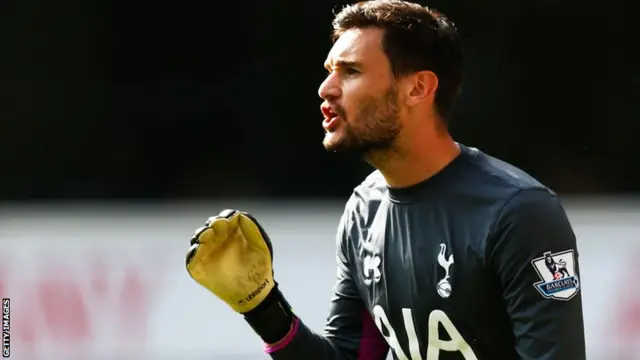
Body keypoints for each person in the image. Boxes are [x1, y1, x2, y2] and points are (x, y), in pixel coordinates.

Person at [185, 0, 587, 359]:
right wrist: (262, 308)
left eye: (351, 71)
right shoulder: (364, 210)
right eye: (330, 72)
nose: (326, 89)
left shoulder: (519, 212)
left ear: (418, 88)